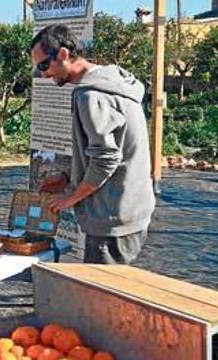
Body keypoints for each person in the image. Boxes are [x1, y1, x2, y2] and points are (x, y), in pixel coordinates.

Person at [31, 24, 156, 265]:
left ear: (64, 54)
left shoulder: (91, 95)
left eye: (44, 65)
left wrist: (70, 199)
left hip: (111, 221)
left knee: (100, 300)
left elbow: (106, 158)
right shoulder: (114, 81)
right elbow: (107, 147)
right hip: (130, 209)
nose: (44, 74)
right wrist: (68, 176)